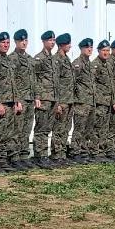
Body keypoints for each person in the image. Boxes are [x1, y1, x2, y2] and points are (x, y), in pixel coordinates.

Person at [0, 31, 21, 171]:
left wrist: (17, 100)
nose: (6, 45)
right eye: (3, 43)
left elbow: (14, 82)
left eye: (8, 43)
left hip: (10, 102)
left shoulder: (8, 60)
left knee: (9, 133)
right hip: (1, 103)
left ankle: (4, 158)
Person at [11, 29, 36, 168]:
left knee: (26, 129)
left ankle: (24, 155)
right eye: (21, 41)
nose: (24, 43)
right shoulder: (12, 59)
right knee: (17, 129)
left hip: (29, 98)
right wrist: (16, 100)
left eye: (26, 40)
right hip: (20, 99)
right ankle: (14, 157)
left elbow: (34, 80)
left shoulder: (30, 59)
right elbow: (11, 81)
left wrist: (36, 96)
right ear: (16, 42)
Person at [32, 30, 57, 168]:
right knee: (41, 128)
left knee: (47, 128)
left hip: (53, 98)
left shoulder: (53, 59)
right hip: (43, 98)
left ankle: (44, 155)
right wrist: (37, 96)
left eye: (53, 40)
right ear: (43, 41)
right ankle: (39, 155)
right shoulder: (39, 58)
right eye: (49, 40)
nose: (52, 42)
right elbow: (34, 79)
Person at [89, 39, 115, 163]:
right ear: (98, 51)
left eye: (107, 50)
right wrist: (97, 101)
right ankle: (95, 151)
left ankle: (102, 151)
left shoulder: (108, 64)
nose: (106, 53)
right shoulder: (95, 64)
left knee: (105, 128)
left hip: (108, 102)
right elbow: (92, 85)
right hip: (100, 102)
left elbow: (111, 85)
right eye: (104, 50)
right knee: (97, 128)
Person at [70, 38, 97, 163]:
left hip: (91, 102)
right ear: (81, 49)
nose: (89, 49)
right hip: (81, 102)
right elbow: (72, 83)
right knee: (79, 129)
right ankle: (75, 152)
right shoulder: (77, 63)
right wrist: (76, 100)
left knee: (88, 129)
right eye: (87, 47)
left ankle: (84, 151)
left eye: (91, 47)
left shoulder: (90, 64)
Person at [50, 33, 75, 165]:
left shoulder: (66, 59)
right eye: (68, 44)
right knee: (58, 128)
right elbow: (55, 83)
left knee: (66, 128)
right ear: (62, 45)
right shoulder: (56, 60)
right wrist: (57, 103)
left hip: (69, 100)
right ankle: (56, 154)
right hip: (62, 101)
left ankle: (62, 153)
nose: (70, 46)